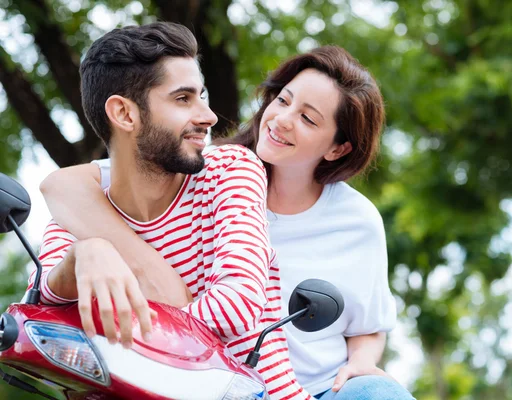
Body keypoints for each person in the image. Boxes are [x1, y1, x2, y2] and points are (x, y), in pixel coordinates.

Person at [40, 44, 415, 399]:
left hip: (318, 386)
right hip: (203, 376)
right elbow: (68, 186)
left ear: (337, 147)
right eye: (282, 100)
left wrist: (361, 365)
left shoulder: (355, 220)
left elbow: (367, 324)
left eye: (307, 118)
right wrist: (111, 258)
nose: (282, 120)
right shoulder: (202, 172)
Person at [30, 22, 312, 400]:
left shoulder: (230, 170)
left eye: (203, 96)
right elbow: (43, 322)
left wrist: (118, 347)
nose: (209, 116)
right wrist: (84, 254)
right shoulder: (73, 219)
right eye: (183, 99)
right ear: (125, 115)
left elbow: (236, 307)